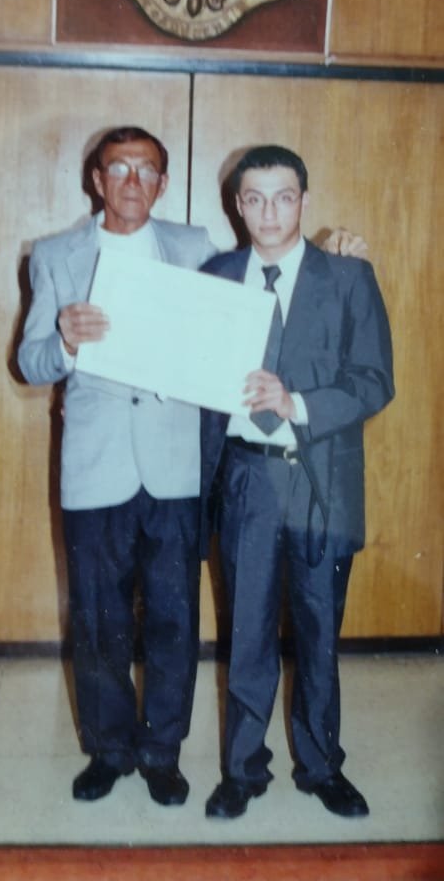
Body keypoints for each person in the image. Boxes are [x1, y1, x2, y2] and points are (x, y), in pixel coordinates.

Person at [18, 124, 366, 809]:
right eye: (119, 168)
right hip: (95, 465)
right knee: (98, 618)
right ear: (97, 180)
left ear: (162, 183)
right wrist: (63, 341)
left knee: (174, 620)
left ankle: (161, 754)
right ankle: (108, 751)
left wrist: (333, 254)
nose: (132, 181)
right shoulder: (55, 255)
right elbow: (29, 362)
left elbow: (265, 280)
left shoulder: (194, 248)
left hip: (177, 466)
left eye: (146, 170)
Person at [200, 144, 394, 821]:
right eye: (254, 199)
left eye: (283, 198)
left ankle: (320, 767)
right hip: (248, 481)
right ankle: (241, 770)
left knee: (318, 632)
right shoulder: (217, 276)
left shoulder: (347, 277)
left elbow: (374, 381)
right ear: (237, 205)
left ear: (304, 201)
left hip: (320, 484)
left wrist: (297, 404)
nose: (269, 213)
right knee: (247, 632)